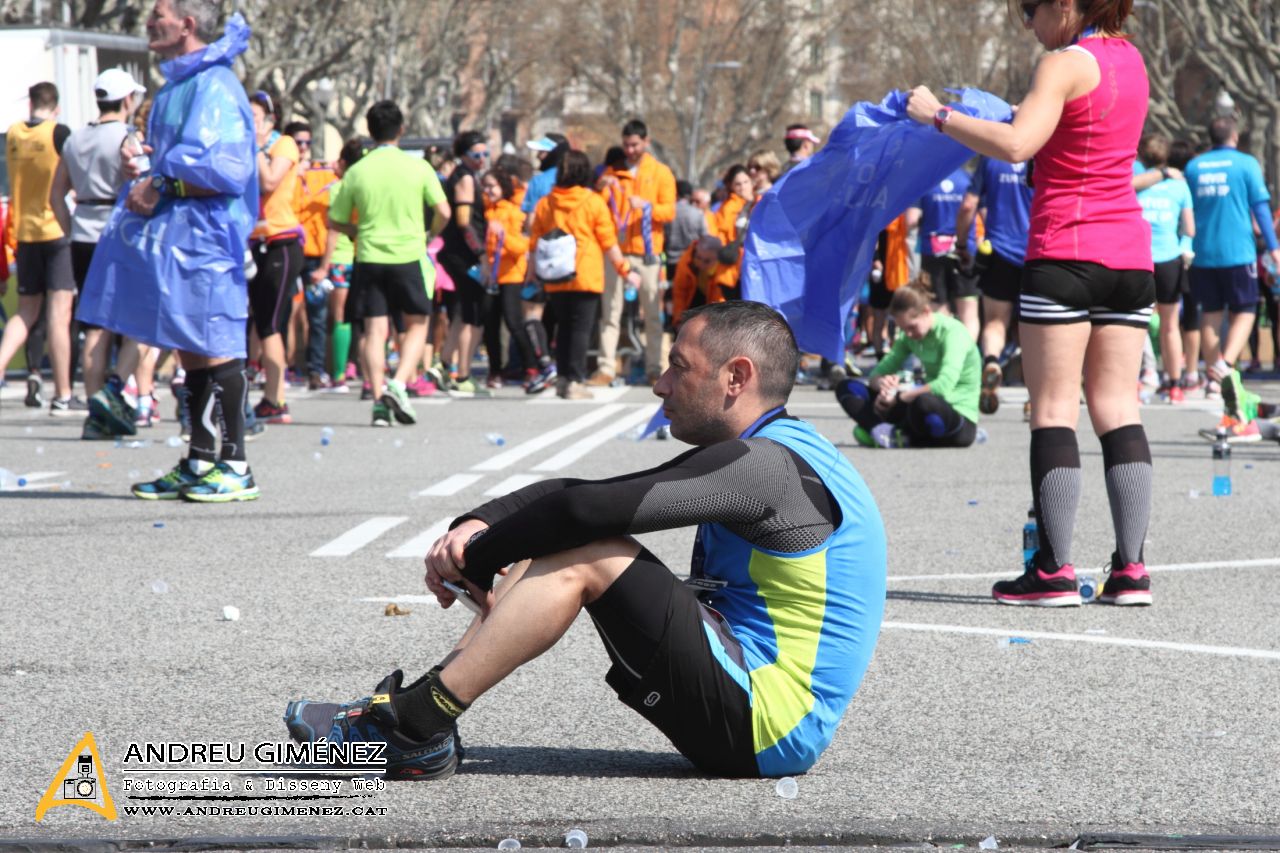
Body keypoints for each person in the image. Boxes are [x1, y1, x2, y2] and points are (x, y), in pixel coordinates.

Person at [284, 300, 887, 782]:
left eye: (679, 365)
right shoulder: (774, 451)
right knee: (569, 533)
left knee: (586, 545)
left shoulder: (765, 469)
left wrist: (480, 553)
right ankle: (416, 717)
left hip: (766, 723)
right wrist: (475, 523)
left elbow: (586, 509)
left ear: (737, 377)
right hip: (751, 699)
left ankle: (412, 731)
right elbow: (583, 493)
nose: (659, 384)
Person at [908, 0, 1156, 607]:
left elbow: (1018, 146)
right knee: (1120, 408)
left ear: (1065, 5)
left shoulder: (1063, 62)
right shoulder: (1133, 59)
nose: (1028, 23)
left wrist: (937, 115)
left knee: (1052, 409)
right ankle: (1132, 571)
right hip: (1129, 253)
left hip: (1066, 249)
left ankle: (1052, 571)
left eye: (1031, 9)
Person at [78, 0, 261, 502]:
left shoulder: (215, 85)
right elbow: (181, 157)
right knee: (190, 347)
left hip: (206, 239)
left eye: (159, 13)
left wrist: (163, 183)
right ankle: (200, 459)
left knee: (216, 342)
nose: (149, 21)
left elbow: (225, 168)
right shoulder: (180, 83)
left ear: (187, 23)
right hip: (178, 241)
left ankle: (236, 464)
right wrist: (146, 157)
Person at [327, 100, 450, 427]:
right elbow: (445, 211)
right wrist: (429, 234)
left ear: (369, 131)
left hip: (368, 256)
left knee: (374, 330)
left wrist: (355, 231)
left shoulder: (358, 171)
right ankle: (398, 383)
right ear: (401, 129)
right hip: (408, 255)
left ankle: (380, 400)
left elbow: (334, 219)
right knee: (417, 324)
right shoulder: (418, 167)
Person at [48, 69, 146, 435]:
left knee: (93, 324)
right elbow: (144, 185)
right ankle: (115, 386)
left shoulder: (75, 139)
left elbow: (55, 194)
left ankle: (95, 415)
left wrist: (70, 229)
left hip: (83, 234)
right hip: (121, 231)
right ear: (127, 100)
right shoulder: (127, 137)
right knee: (136, 321)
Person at [1185, 117, 1280, 421]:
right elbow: (1261, 208)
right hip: (1238, 251)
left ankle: (1216, 380)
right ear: (1235, 136)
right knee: (1246, 309)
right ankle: (1225, 364)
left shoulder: (1194, 167)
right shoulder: (1246, 164)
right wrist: (1274, 246)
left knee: (1210, 314)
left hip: (1203, 252)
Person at [525, 150, 641, 399]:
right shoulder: (592, 202)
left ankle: (563, 378)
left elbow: (534, 240)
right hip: (585, 274)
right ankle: (575, 381)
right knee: (581, 329)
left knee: (563, 328)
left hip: (555, 275)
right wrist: (626, 270)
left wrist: (532, 271)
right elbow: (608, 242)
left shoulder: (546, 202)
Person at [0, 81, 77, 416]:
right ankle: (62, 393)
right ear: (55, 106)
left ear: (30, 103)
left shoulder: (14, 133)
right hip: (55, 229)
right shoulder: (59, 133)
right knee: (59, 316)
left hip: (25, 232)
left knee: (25, 313)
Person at [834, 277, 981, 448]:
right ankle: (881, 430)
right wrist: (884, 387)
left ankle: (897, 433)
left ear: (926, 312)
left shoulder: (953, 333)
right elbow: (877, 374)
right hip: (917, 407)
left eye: (912, 327)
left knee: (924, 403)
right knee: (847, 387)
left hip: (956, 416)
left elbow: (944, 385)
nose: (908, 334)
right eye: (903, 329)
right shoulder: (908, 336)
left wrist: (900, 397)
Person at [589, 119, 676, 387]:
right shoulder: (612, 172)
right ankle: (606, 367)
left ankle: (655, 368)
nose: (629, 150)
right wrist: (601, 188)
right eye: (626, 145)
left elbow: (669, 211)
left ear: (646, 142)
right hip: (617, 252)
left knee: (651, 311)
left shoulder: (660, 173)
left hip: (648, 252)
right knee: (611, 312)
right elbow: (599, 210)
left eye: (635, 144)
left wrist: (647, 206)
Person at [956, 156, 1034, 414]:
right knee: (1035, 328)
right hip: (1038, 251)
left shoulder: (993, 155)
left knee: (995, 321)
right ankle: (1035, 395)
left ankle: (991, 362)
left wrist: (960, 245)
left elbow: (969, 205)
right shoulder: (1044, 148)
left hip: (999, 251)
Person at [247, 90, 303, 424]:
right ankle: (271, 398)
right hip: (254, 242)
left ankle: (276, 399)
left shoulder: (283, 145)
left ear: (270, 120)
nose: (248, 124)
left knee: (270, 325)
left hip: (281, 244)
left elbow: (269, 181)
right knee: (260, 323)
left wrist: (254, 144)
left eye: (253, 118)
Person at [1133, 133, 1194, 403]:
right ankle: (1175, 383)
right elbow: (1189, 228)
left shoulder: (1135, 183)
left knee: (1134, 325)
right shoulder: (1180, 187)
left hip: (1138, 259)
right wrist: (1185, 247)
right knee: (1170, 326)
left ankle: (1134, 381)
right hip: (1169, 259)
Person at [481, 166, 552, 394]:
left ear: (503, 186)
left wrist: (503, 234)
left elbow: (522, 246)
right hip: (490, 277)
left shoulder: (514, 211)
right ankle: (495, 370)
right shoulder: (485, 211)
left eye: (492, 186)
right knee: (490, 325)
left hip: (512, 274)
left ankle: (531, 367)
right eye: (485, 186)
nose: (488, 190)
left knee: (514, 322)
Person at [437, 130, 490, 395]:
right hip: (463, 255)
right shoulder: (465, 178)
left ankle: (444, 365)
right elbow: (464, 221)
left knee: (461, 313)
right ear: (464, 155)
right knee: (471, 315)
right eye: (476, 155)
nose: (482, 159)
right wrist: (480, 254)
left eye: (485, 154)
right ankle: (463, 373)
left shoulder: (463, 174)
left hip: (458, 253)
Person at [310, 138, 363, 393]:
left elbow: (332, 230)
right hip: (364, 255)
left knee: (339, 317)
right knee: (365, 319)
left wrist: (323, 266)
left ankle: (339, 373)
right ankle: (357, 368)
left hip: (341, 258)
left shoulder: (339, 189)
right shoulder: (366, 186)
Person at [289, 120, 335, 391]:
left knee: (317, 316)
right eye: (298, 143)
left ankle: (315, 370)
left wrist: (326, 265)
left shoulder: (322, 174)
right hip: (289, 250)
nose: (304, 148)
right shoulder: (281, 173)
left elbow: (333, 221)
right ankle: (285, 367)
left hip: (315, 256)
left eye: (307, 142)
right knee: (286, 313)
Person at [908, 168, 980, 340]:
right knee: (968, 311)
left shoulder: (925, 178)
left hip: (933, 251)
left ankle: (948, 356)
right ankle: (967, 359)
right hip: (965, 251)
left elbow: (911, 221)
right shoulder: (968, 178)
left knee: (939, 310)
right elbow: (974, 209)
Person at [710, 164, 755, 301]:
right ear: (731, 187)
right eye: (738, 184)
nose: (743, 187)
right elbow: (720, 235)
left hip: (751, 268)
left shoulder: (759, 201)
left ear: (752, 182)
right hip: (733, 269)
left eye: (746, 182)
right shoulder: (728, 207)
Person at [669, 234, 733, 327]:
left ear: (718, 259)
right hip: (694, 297)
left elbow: (720, 303)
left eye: (707, 261)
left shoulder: (724, 271)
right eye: (698, 257)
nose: (701, 264)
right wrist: (679, 320)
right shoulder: (686, 261)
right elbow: (680, 292)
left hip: (713, 304)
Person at [664, 179, 708, 285]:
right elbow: (705, 238)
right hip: (692, 261)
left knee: (673, 295)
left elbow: (662, 238)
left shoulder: (668, 212)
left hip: (671, 261)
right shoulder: (698, 213)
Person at [520, 133, 568, 220]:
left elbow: (531, 217)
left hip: (545, 232)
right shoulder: (578, 178)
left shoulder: (538, 181)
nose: (538, 156)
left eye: (542, 152)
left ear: (554, 154)